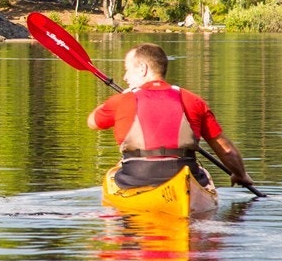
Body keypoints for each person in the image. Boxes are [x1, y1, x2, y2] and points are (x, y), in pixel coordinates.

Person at [87, 43, 254, 190]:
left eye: (127, 70)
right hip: (183, 177)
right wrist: (240, 174)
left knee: (112, 220)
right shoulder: (194, 100)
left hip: (135, 179)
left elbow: (92, 122)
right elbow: (226, 150)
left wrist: (117, 99)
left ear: (143, 69)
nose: (125, 77)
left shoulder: (122, 101)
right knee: (200, 174)